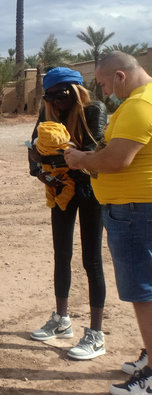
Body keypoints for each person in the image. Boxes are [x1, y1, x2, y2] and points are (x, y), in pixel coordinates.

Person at [65, 51, 152, 394]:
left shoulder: (137, 106)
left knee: (142, 291)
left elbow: (116, 159)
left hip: (134, 211)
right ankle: (149, 353)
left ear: (119, 75)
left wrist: (81, 159)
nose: (101, 90)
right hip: (134, 209)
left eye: (102, 83)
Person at [27, 67, 108, 360]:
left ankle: (96, 335)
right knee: (61, 255)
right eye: (51, 98)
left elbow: (90, 151)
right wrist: (40, 173)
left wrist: (46, 154)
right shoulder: (48, 112)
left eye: (61, 97)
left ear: (74, 91)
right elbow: (31, 145)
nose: (56, 103)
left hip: (89, 191)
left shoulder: (94, 109)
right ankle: (61, 320)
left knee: (92, 260)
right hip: (60, 189)